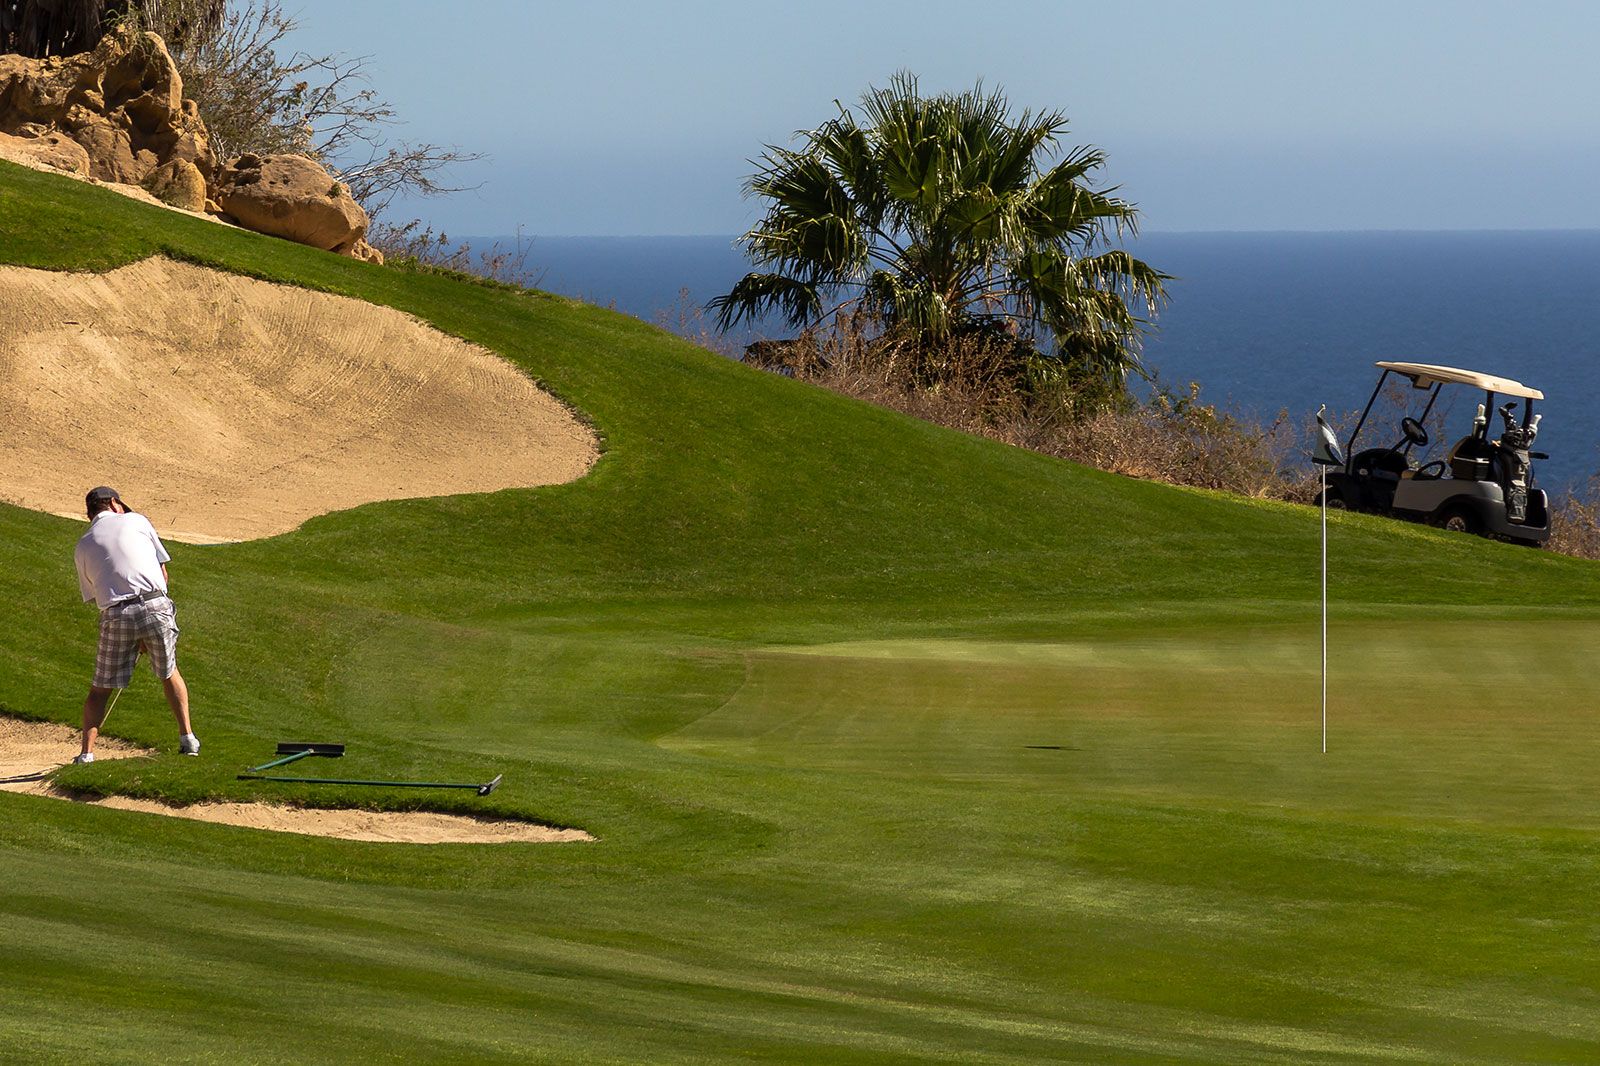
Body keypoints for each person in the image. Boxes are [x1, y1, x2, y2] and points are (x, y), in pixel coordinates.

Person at [73, 486, 198, 763]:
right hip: (156, 604)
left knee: (100, 689)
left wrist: (133, 629)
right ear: (115, 503)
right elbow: (162, 573)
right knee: (169, 672)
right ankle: (188, 739)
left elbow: (96, 593)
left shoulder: (83, 545)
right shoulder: (138, 520)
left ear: (91, 513)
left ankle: (86, 754)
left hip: (116, 613)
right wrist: (145, 627)